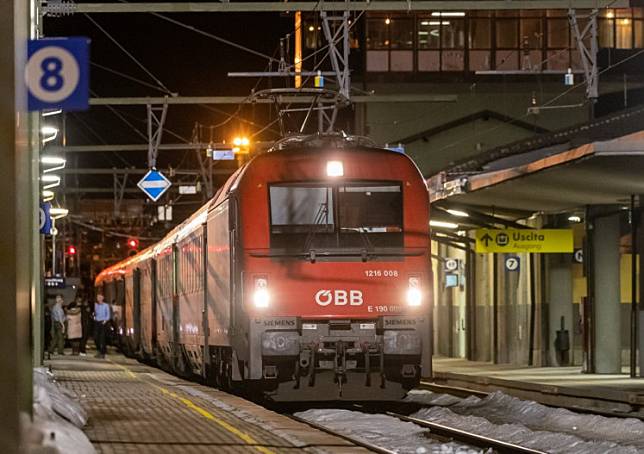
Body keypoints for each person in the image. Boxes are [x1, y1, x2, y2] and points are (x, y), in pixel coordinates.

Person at [94, 293, 111, 358]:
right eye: (98, 297)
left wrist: (105, 321)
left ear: (103, 298)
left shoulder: (106, 305)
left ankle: (102, 352)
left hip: (103, 323)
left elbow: (108, 315)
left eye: (100, 297)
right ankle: (98, 350)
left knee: (102, 338)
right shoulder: (96, 305)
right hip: (97, 322)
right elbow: (94, 313)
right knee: (96, 337)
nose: (99, 298)